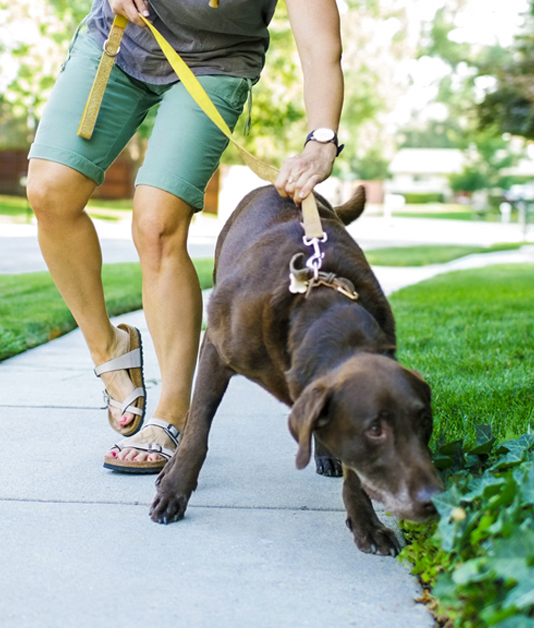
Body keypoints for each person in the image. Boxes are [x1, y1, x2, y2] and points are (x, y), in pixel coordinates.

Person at [25, 0, 345, 473]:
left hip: (216, 61)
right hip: (123, 38)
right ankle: (108, 348)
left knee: (157, 224)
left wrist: (322, 141)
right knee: (49, 192)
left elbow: (321, 48)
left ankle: (173, 413)